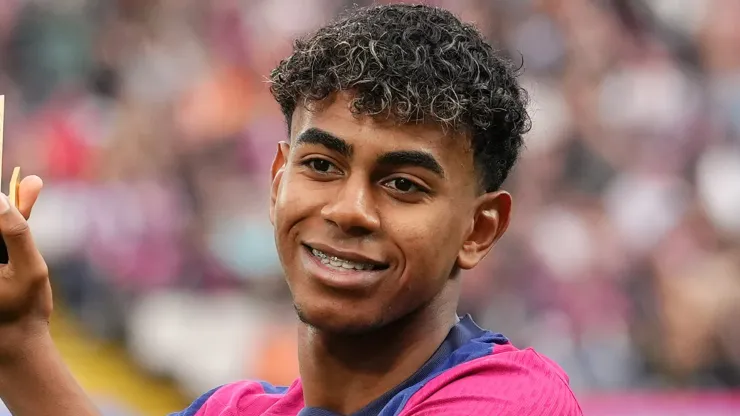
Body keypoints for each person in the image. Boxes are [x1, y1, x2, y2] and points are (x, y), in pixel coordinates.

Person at [0, 4, 583, 416]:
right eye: (322, 166)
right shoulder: (232, 411)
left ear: (479, 230)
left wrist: (24, 347)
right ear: (279, 179)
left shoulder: (514, 400)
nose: (350, 209)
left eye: (403, 184)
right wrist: (17, 336)